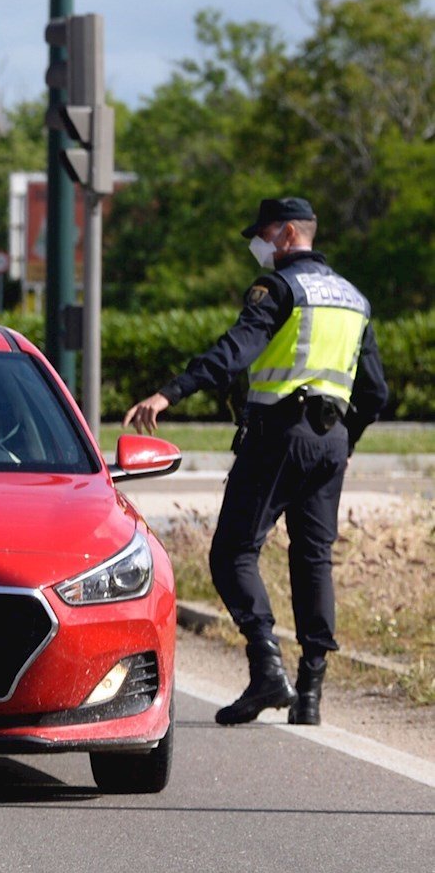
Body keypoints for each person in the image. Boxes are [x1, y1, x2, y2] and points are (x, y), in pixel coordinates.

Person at [124, 197, 386, 727]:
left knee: (232, 553)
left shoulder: (280, 289)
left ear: (288, 233)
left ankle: (267, 667)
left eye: (263, 234)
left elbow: (236, 350)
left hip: (278, 435)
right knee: (313, 560)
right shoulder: (354, 298)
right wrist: (343, 442)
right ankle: (310, 694)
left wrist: (171, 393)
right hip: (330, 440)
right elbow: (376, 392)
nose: (258, 246)